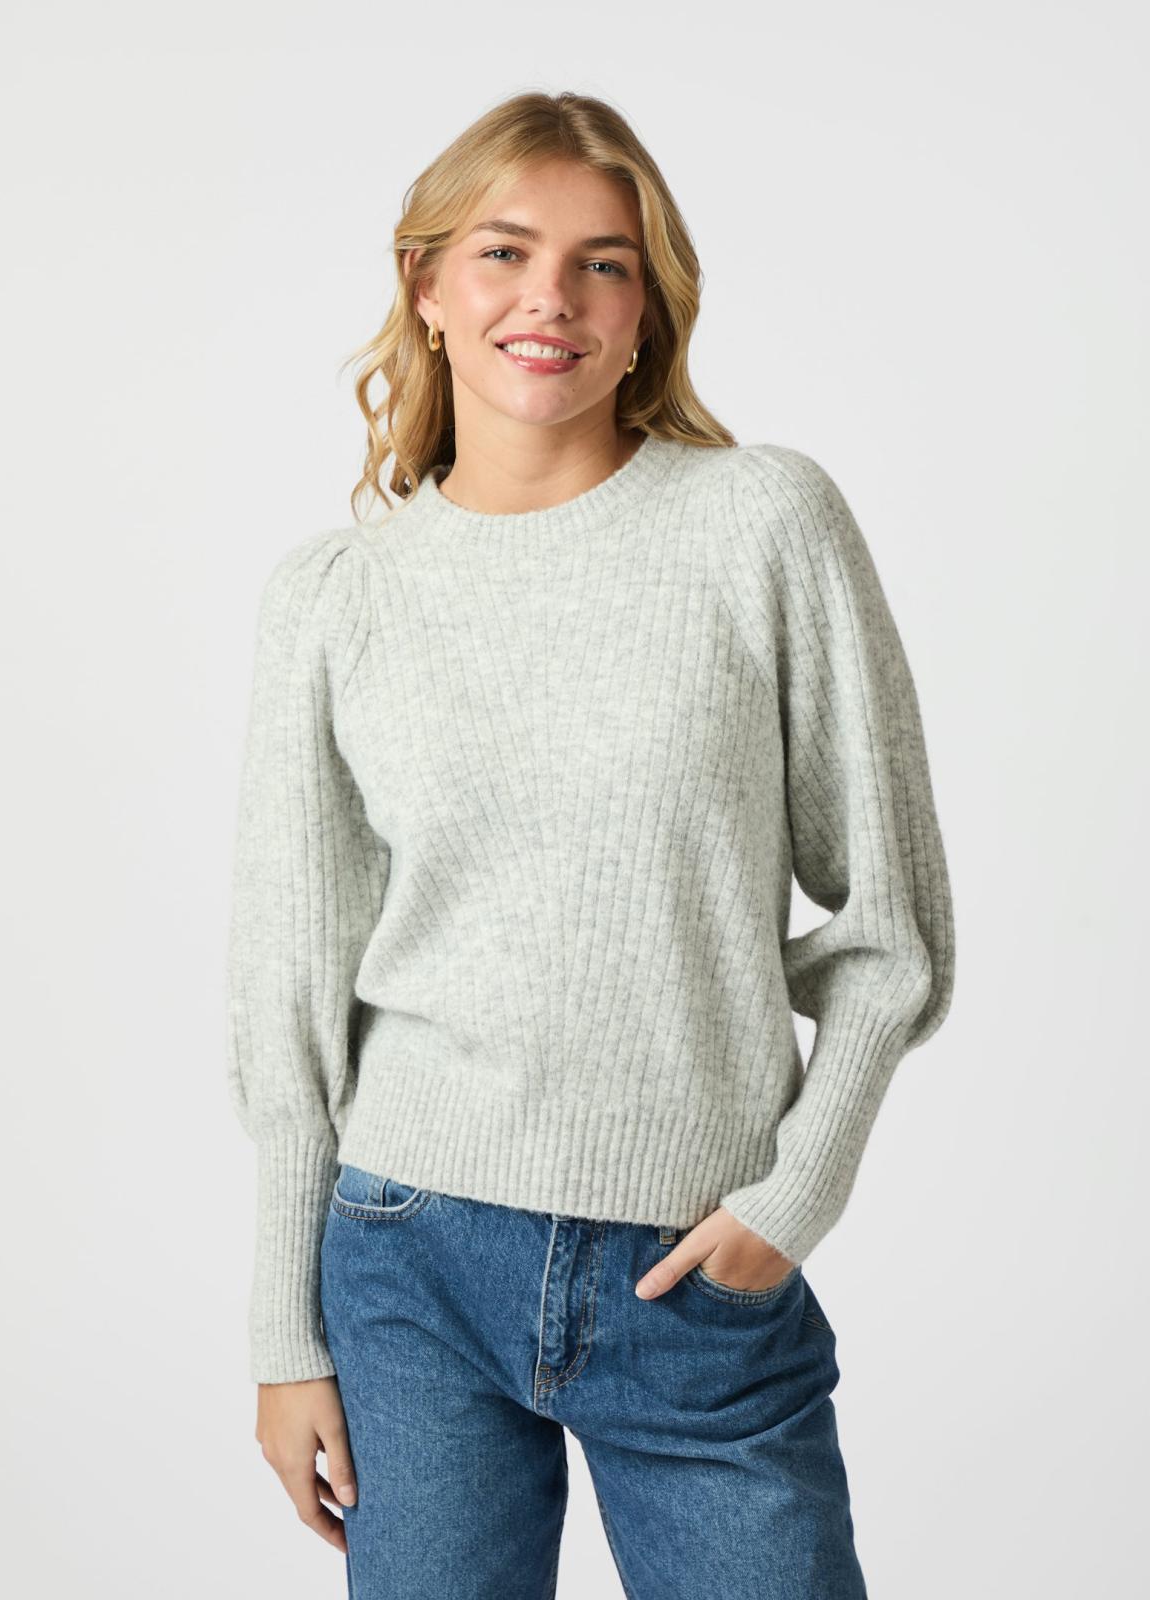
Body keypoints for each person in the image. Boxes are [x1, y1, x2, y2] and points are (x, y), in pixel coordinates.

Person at [225, 89, 955, 1599]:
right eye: (503, 252)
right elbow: (287, 993)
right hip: (407, 1256)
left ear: (646, 314)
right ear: (428, 289)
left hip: (693, 1268)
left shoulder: (763, 526)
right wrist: (283, 1335)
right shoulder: (335, 601)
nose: (548, 297)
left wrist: (793, 1197)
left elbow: (890, 921)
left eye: (601, 264)